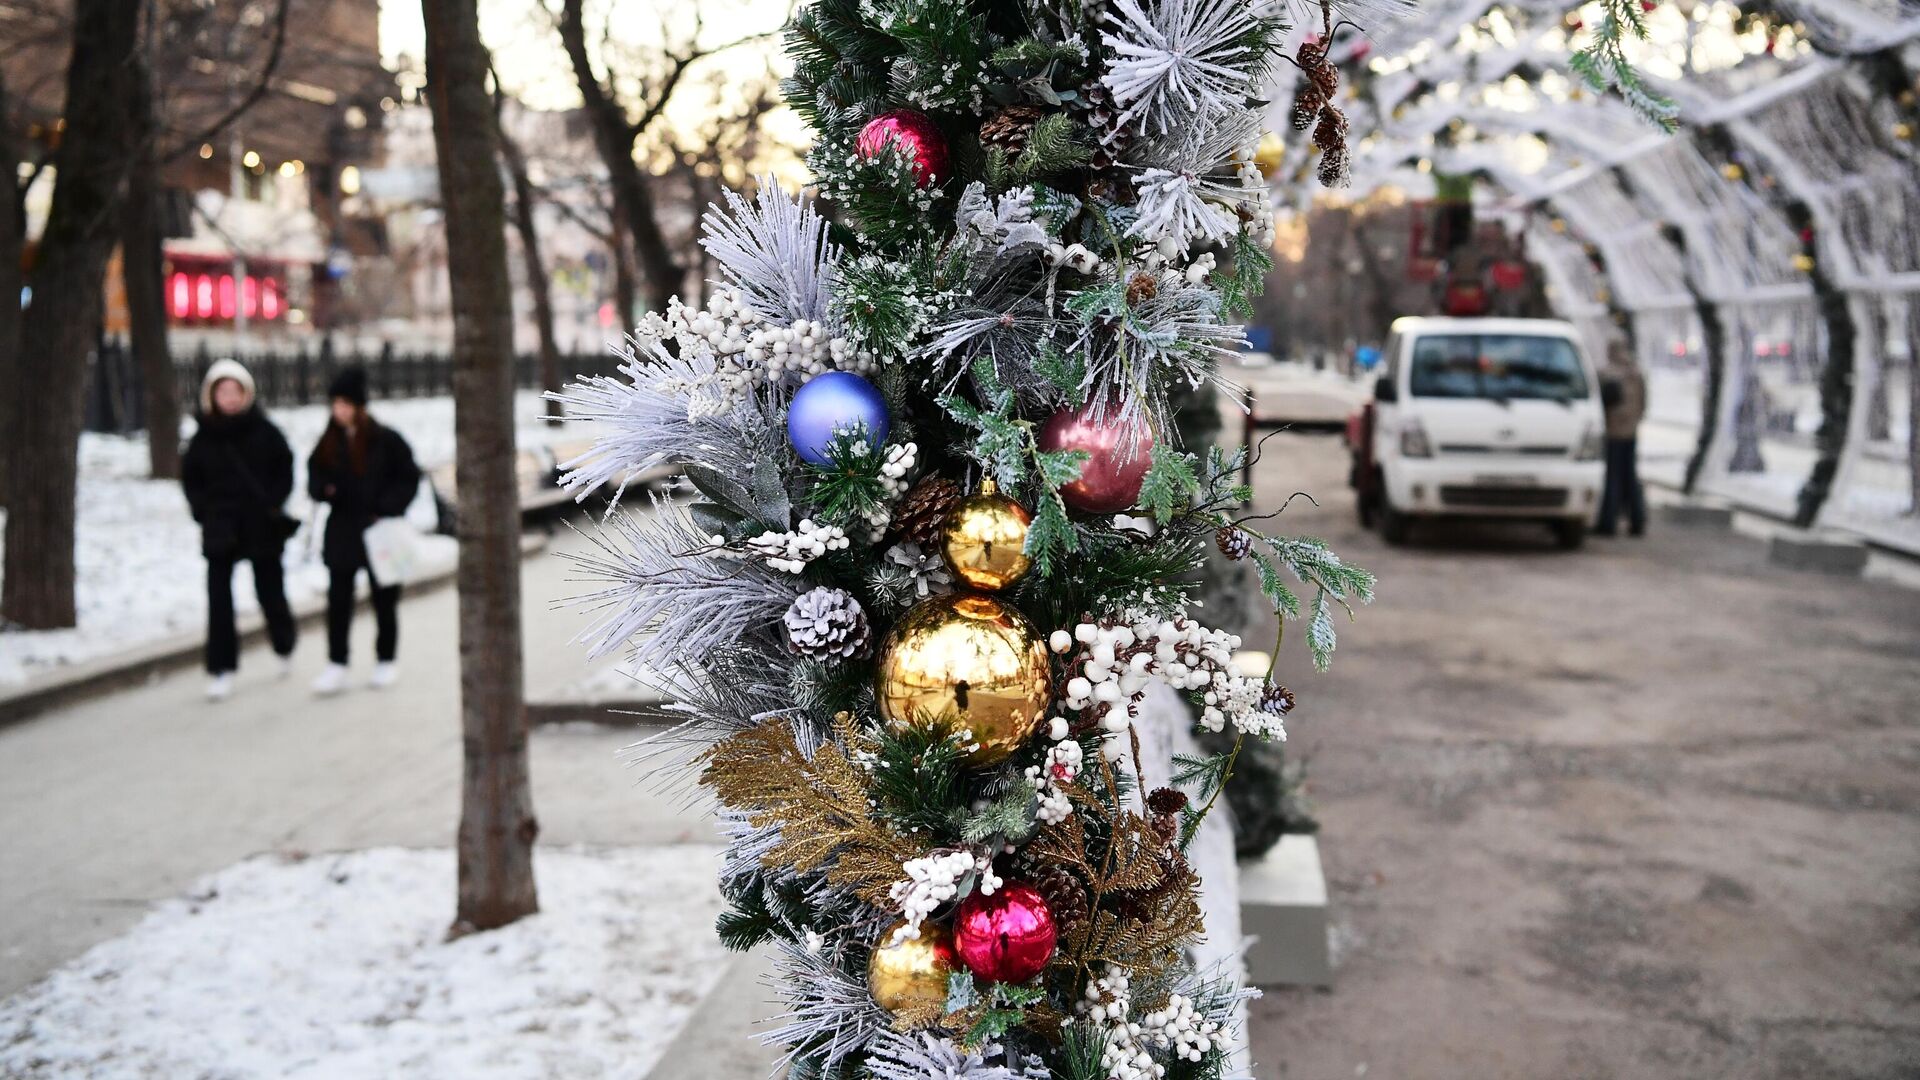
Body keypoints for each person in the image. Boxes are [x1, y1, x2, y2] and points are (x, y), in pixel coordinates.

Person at [181, 359, 299, 701]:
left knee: (270, 589)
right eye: (223, 391)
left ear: (247, 393)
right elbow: (192, 480)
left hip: (260, 523)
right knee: (219, 599)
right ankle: (221, 667)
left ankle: (283, 643)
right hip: (220, 526)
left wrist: (274, 503)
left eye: (236, 391)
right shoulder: (202, 438)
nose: (230, 398)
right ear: (211, 395)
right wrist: (203, 511)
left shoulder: (265, 430)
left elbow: (284, 467)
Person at [307, 367, 420, 694]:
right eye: (335, 404)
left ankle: (386, 659)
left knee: (384, 598)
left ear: (359, 405)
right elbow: (314, 476)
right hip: (342, 530)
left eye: (345, 403)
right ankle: (336, 663)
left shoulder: (385, 439)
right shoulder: (328, 441)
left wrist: (387, 506)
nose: (339, 410)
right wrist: (324, 489)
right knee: (338, 600)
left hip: (379, 530)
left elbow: (408, 477)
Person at [1596, 339, 1648, 537]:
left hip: (1612, 432)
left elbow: (1601, 404)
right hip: (1631, 432)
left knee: (1612, 478)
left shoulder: (1607, 374)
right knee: (1631, 477)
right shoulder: (1636, 373)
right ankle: (1637, 520)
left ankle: (1608, 521)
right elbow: (1644, 403)